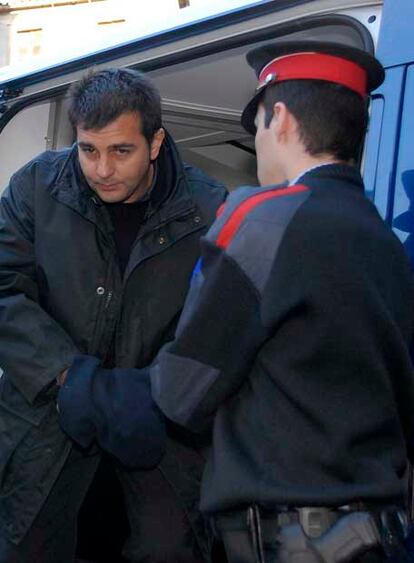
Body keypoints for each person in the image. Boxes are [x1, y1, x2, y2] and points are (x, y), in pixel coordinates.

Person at [149, 41, 414, 562]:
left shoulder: (263, 218)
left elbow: (183, 391)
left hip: (294, 541)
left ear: (283, 120)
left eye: (259, 128)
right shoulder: (387, 244)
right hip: (380, 536)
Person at [0, 67, 226, 563]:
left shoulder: (210, 210)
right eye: (88, 150)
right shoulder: (37, 185)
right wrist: (64, 372)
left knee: (168, 549)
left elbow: (219, 327)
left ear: (155, 141)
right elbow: (3, 288)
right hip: (46, 412)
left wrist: (158, 388)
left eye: (120, 151)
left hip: (157, 421)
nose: (101, 169)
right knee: (29, 543)